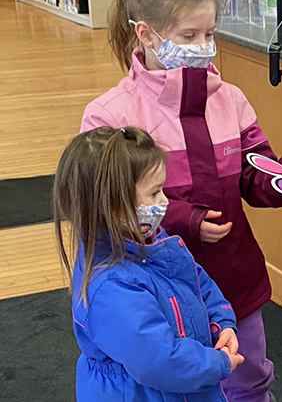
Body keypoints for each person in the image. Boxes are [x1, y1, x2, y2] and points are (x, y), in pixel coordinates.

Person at [80, 0, 282, 402]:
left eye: (209, 33)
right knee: (176, 385)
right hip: (154, 287)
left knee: (249, 380)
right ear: (145, 34)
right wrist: (185, 220)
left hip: (233, 274)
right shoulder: (110, 116)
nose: (203, 46)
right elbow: (108, 208)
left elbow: (255, 170)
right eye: (188, 35)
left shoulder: (229, 98)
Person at [54, 126, 243, 401]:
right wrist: (219, 364)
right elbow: (159, 360)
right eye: (154, 193)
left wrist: (221, 322)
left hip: (185, 386)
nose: (164, 201)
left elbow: (197, 282)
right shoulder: (109, 285)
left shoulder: (152, 239)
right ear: (112, 206)